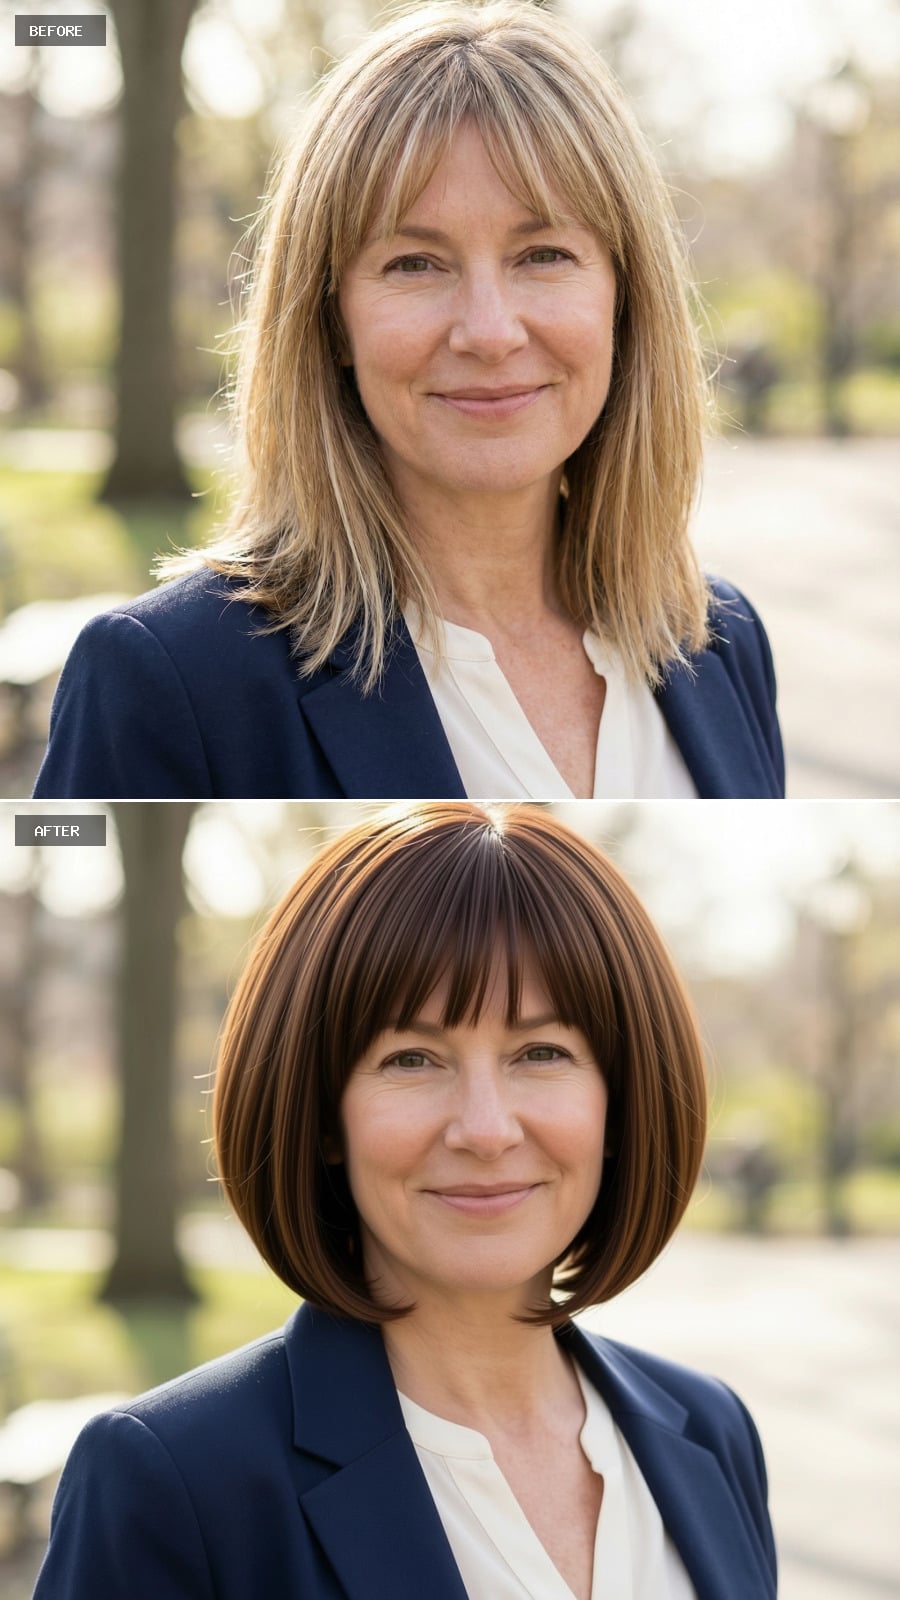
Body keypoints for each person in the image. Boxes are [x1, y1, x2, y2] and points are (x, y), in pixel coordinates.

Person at [34, 1, 783, 801]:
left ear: (624, 299)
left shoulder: (721, 640)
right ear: (332, 319)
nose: (489, 331)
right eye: (415, 264)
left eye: (543, 254)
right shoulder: (168, 679)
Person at [35, 803, 777, 1600]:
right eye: (412, 1059)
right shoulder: (176, 1482)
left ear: (618, 1103)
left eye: (541, 1052)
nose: (485, 1130)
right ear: (324, 1114)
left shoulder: (711, 1431)